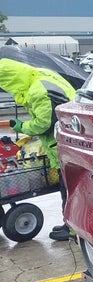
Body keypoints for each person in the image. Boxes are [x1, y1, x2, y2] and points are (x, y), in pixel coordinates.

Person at [0, 57, 76, 241]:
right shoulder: (43, 76)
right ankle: (71, 223)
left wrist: (21, 127)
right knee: (72, 186)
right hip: (72, 138)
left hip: (63, 144)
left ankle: (73, 228)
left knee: (70, 188)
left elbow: (43, 123)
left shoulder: (37, 91)